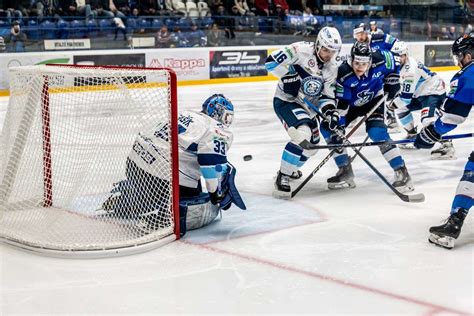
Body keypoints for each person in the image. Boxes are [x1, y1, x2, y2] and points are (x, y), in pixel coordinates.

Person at [100, 94, 246, 236]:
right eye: (228, 116)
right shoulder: (217, 130)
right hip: (161, 177)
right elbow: (210, 166)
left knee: (189, 180)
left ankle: (128, 196)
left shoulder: (185, 114)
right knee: (199, 196)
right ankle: (163, 214)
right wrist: (217, 194)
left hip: (134, 164)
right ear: (221, 114)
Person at [322, 41, 414, 192]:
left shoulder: (382, 59)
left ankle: (401, 171)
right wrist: (340, 127)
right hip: (351, 106)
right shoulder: (343, 74)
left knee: (377, 133)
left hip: (374, 102)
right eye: (357, 62)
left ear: (370, 61)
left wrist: (394, 80)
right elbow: (343, 104)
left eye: (364, 63)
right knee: (329, 129)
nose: (360, 67)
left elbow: (400, 62)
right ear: (351, 59)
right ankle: (345, 171)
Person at [264, 26, 342, 198]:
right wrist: (287, 76)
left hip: (307, 107)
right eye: (326, 49)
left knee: (312, 146)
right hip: (287, 101)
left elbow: (327, 96)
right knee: (303, 133)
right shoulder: (299, 50)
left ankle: (290, 169)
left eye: (332, 51)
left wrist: (330, 113)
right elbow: (270, 61)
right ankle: (282, 176)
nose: (328, 54)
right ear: (318, 44)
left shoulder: (332, 68)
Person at [414, 33, 474, 249]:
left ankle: (454, 223)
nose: (459, 61)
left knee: (473, 172)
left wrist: (428, 135)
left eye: (460, 56)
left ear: (468, 55)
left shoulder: (468, 75)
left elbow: (452, 117)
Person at [390, 41, 454, 159]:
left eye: (400, 55)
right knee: (400, 109)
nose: (398, 58)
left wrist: (391, 105)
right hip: (420, 93)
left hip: (433, 92)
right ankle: (412, 135)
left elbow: (405, 99)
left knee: (427, 120)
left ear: (405, 55)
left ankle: (447, 144)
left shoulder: (410, 70)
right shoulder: (401, 65)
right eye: (395, 55)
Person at [353, 22, 400, 133]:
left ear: (366, 32)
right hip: (376, 75)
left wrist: (394, 60)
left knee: (387, 95)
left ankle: (392, 120)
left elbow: (398, 45)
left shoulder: (380, 38)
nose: (359, 37)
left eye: (361, 33)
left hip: (390, 72)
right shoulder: (357, 46)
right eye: (357, 35)